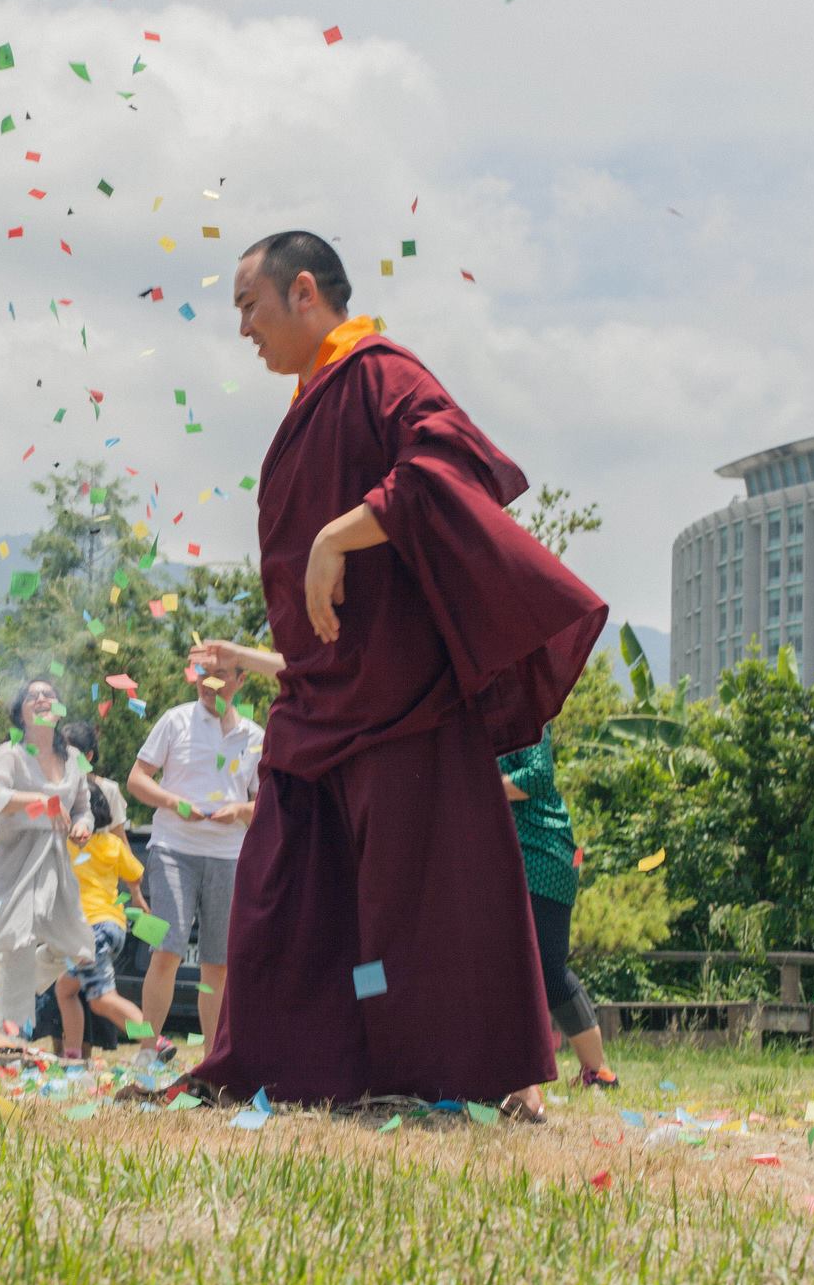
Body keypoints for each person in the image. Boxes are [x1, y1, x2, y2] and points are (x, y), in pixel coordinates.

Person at [186, 230, 607, 1115]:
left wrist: (342, 532)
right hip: (321, 692)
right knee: (284, 890)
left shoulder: (381, 373)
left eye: (248, 307)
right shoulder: (312, 397)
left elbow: (446, 466)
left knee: (424, 899)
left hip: (398, 693)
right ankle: (288, 1066)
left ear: (304, 292)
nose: (242, 330)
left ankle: (483, 1074)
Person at [126, 659, 264, 1046]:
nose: (210, 684)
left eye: (221, 677)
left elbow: (266, 805)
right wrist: (173, 803)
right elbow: (136, 779)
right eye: (204, 675)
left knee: (217, 964)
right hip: (172, 848)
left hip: (228, 856)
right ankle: (145, 1050)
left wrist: (238, 810)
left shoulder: (254, 735)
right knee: (166, 950)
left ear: (241, 679)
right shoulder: (175, 720)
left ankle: (212, 1058)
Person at [499, 726, 618, 1089]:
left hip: (545, 858)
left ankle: (599, 1073)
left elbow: (537, 776)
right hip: (512, 860)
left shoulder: (529, 719)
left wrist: (480, 782)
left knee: (548, 967)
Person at [0, 679, 95, 1033]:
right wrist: (41, 802)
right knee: (19, 941)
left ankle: (13, 979)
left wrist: (83, 826)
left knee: (76, 948)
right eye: (33, 695)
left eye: (49, 694)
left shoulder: (73, 758)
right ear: (21, 713)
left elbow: (84, 808)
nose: (42, 699)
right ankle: (11, 1044)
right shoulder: (10, 752)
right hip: (15, 856)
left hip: (56, 859)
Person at [53, 781, 170, 1060]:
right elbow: (135, 874)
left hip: (89, 930)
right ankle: (73, 1056)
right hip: (113, 928)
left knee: (102, 999)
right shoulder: (113, 844)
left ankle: (155, 1040)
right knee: (65, 989)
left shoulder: (66, 846)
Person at [57, 718, 149, 911]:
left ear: (88, 756)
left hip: (98, 886)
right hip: (61, 887)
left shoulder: (109, 790)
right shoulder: (53, 789)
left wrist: (136, 894)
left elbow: (120, 838)